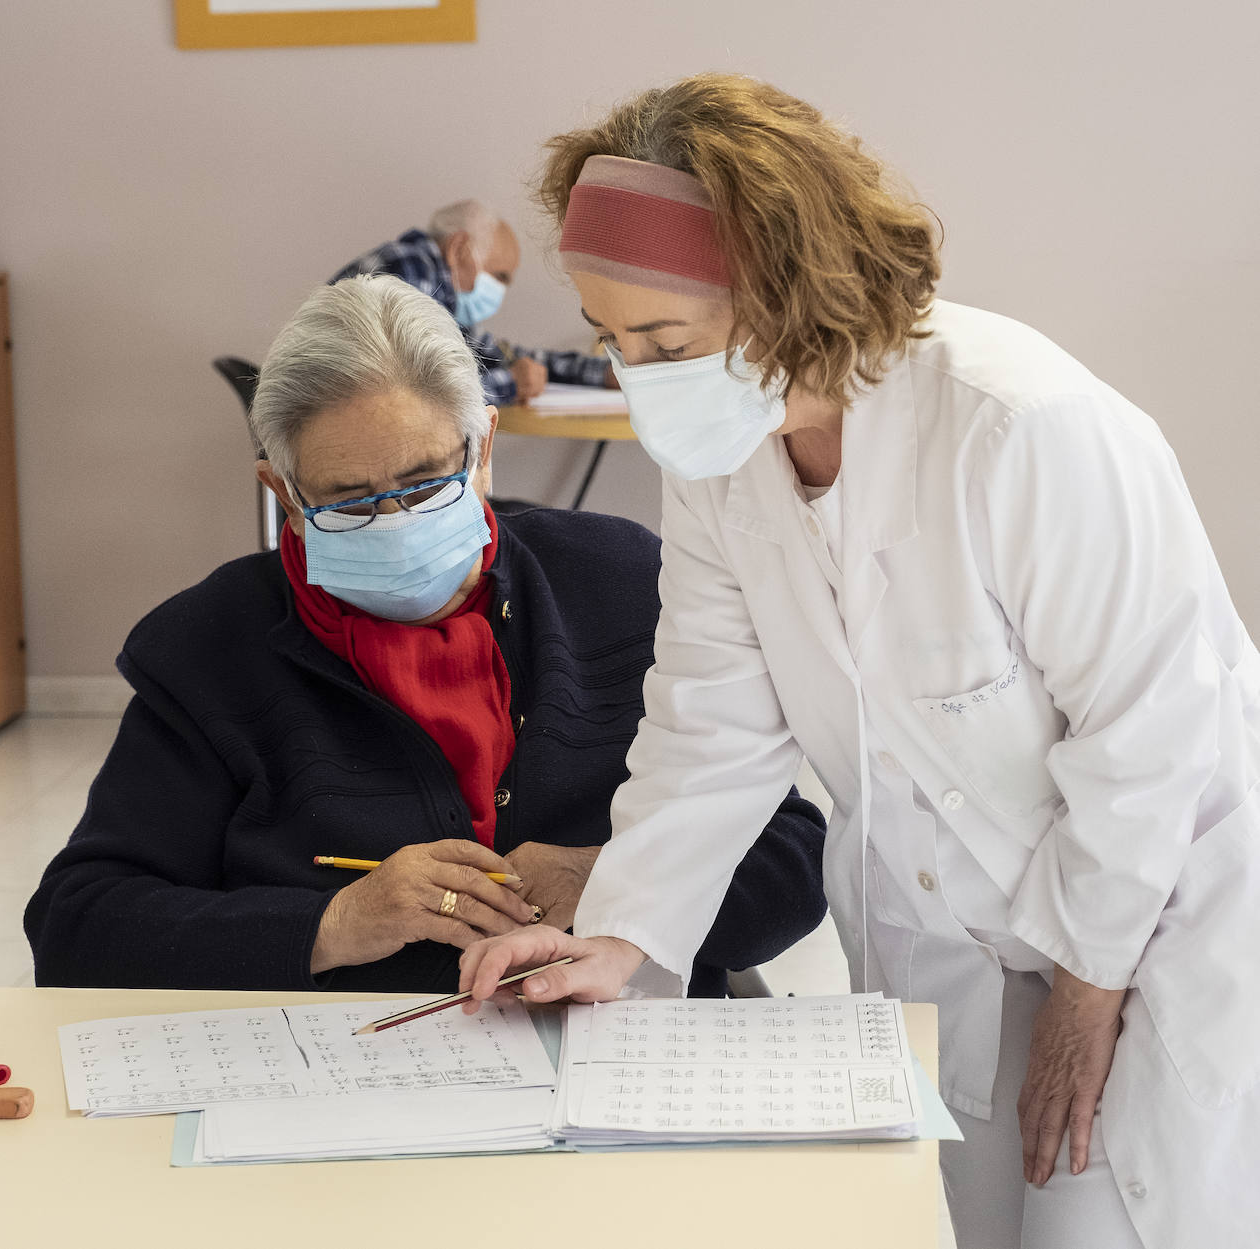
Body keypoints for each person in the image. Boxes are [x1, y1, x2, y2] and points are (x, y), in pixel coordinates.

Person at [458, 73, 1260, 1249]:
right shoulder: (723, 459)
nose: (636, 379)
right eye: (613, 340)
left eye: (664, 340)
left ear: (785, 295)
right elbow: (708, 726)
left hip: (1155, 928)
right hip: (945, 940)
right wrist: (620, 940)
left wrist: (1092, 998)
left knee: (1117, 1221)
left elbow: (1155, 733)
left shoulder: (1017, 425)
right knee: (951, 1223)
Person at [23, 273, 827, 999]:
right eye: (350, 498)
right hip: (345, 1085)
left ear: (482, 449)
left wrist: (617, 883)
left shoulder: (622, 581)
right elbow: (78, 926)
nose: (396, 521)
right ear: (283, 491)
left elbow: (792, 859)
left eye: (424, 481)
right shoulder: (210, 649)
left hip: (616, 1066)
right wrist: (332, 924)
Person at [329, 199, 616, 406]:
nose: (501, 291)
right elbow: (422, 395)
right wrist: (511, 384)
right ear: (458, 249)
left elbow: (496, 355)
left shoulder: (434, 289)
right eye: (500, 276)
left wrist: (601, 373)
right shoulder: (409, 271)